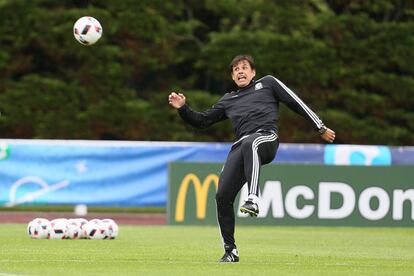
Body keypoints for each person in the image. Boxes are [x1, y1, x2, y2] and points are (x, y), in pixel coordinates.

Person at [168, 55, 335, 263]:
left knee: (251, 142)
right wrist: (183, 109)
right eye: (236, 69)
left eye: (244, 67)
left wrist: (319, 126)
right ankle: (231, 251)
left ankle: (253, 197)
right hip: (241, 147)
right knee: (222, 196)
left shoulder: (268, 83)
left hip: (266, 138)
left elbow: (295, 102)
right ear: (232, 76)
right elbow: (202, 121)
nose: (240, 71)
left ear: (253, 72)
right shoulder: (228, 100)